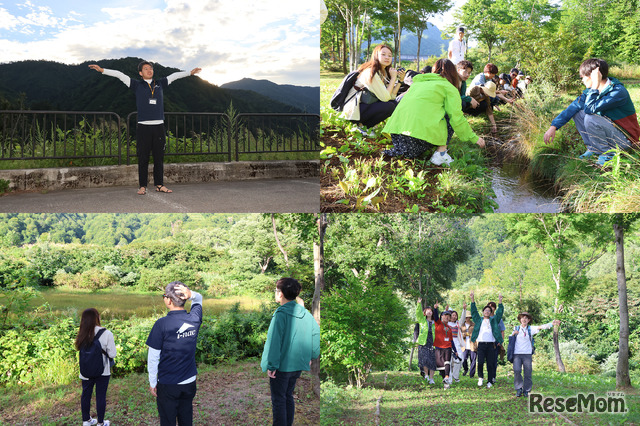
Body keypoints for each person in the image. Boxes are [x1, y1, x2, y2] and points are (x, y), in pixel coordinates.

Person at [88, 61, 202, 195]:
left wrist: (190, 73)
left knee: (159, 158)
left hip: (159, 126)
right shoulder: (136, 85)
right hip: (143, 127)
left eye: (151, 68)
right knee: (143, 158)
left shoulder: (159, 83)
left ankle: (160, 185)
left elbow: (174, 76)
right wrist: (102, 70)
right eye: (146, 69)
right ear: (140, 73)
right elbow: (119, 75)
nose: (149, 70)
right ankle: (142, 186)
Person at [382, 59, 485, 165]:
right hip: (413, 143)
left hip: (397, 139)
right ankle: (441, 154)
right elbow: (457, 117)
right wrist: (474, 138)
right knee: (450, 115)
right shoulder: (449, 88)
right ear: (453, 73)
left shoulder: (418, 84)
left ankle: (405, 150)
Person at [543, 59, 640, 165]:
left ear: (594, 76)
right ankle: (593, 149)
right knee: (578, 113)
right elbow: (572, 108)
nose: (582, 80)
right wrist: (554, 126)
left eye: (583, 77)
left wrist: (595, 85)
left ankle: (606, 154)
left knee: (590, 117)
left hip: (625, 140)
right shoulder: (590, 92)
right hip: (612, 133)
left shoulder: (617, 92)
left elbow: (589, 108)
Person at [261, 278, 320, 426]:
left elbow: (275, 342)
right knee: (288, 396)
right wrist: (311, 355)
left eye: (276, 290)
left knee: (279, 400)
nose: (275, 293)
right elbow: (316, 335)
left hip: (281, 367)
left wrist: (272, 366)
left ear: (281, 294)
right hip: (297, 366)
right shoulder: (305, 314)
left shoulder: (281, 314)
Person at [146, 282, 203, 426]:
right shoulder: (194, 319)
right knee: (186, 418)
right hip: (189, 381)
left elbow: (153, 357)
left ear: (168, 300)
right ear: (184, 298)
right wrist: (191, 295)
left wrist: (153, 382)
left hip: (168, 384)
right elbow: (199, 299)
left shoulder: (161, 324)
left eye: (164, 296)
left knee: (167, 421)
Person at [341, 44, 406, 135]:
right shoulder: (370, 72)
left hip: (364, 107)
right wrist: (393, 78)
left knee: (394, 104)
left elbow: (391, 96)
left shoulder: (383, 73)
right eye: (383, 54)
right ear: (376, 55)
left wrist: (400, 81)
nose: (387, 57)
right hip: (354, 111)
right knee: (390, 106)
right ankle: (362, 126)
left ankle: (367, 125)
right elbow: (385, 98)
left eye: (390, 55)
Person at [75, 308, 117, 426]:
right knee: (100, 396)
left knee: (86, 394)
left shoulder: (82, 333)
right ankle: (100, 423)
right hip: (102, 371)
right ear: (97, 318)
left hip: (85, 371)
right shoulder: (106, 333)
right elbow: (112, 354)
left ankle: (86, 420)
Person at [511, 313, 561, 397]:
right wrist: (513, 334)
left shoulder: (531, 329)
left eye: (526, 318)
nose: (524, 319)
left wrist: (552, 324)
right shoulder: (516, 328)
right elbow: (511, 338)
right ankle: (519, 388)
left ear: (529, 320)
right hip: (517, 353)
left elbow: (541, 327)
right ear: (520, 320)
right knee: (516, 371)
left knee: (527, 373)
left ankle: (526, 390)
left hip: (527, 354)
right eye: (522, 318)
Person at [469, 290, 503, 388]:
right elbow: (474, 311)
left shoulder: (494, 320)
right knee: (480, 362)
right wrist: (472, 299)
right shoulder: (479, 320)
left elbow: (500, 313)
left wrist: (500, 302)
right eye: (485, 310)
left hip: (491, 344)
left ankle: (489, 381)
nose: (487, 312)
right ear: (483, 312)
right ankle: (480, 377)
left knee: (490, 363)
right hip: (481, 344)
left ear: (491, 312)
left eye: (489, 311)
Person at [415, 298, 438, 384]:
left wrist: (436, 309)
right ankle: (426, 376)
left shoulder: (435, 322)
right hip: (423, 342)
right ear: (425, 312)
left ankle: (432, 378)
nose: (429, 312)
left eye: (430, 311)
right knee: (424, 360)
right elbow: (418, 313)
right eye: (427, 310)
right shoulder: (422, 320)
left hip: (433, 342)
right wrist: (418, 304)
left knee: (432, 360)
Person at [433, 303, 453, 389]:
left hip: (447, 347)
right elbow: (435, 317)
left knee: (447, 362)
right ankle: (445, 383)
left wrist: (455, 351)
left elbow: (451, 340)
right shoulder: (438, 323)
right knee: (441, 367)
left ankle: (447, 377)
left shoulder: (449, 328)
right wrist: (435, 309)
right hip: (438, 348)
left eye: (448, 316)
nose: (447, 317)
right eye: (445, 315)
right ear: (441, 317)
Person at [460, 311, 477, 378]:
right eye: (465, 317)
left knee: (473, 360)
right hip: (464, 344)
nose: (467, 318)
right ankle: (465, 369)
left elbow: (476, 333)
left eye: (468, 317)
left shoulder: (474, 325)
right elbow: (459, 334)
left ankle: (471, 374)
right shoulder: (461, 325)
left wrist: (471, 335)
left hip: (472, 344)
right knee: (464, 359)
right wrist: (464, 334)